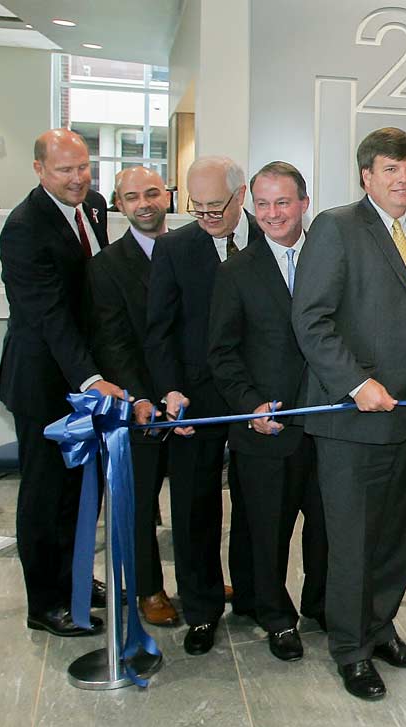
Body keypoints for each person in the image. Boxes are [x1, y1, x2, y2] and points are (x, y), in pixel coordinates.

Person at [292, 127, 406, 701]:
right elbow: (311, 320)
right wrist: (356, 383)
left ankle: (381, 628)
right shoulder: (336, 228)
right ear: (366, 176)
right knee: (354, 541)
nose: (403, 180)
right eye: (390, 170)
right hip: (350, 422)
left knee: (392, 539)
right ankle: (350, 648)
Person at [0, 129, 131, 636]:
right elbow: (51, 316)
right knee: (46, 495)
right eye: (65, 170)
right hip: (44, 384)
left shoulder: (93, 206)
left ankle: (75, 574)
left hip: (86, 380)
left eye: (83, 167)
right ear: (39, 170)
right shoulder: (24, 228)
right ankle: (46, 602)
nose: (78, 179)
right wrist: (93, 378)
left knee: (83, 490)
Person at [207, 161, 329, 662]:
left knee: (327, 529)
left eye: (283, 202)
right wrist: (248, 404)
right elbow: (222, 352)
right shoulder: (236, 271)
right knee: (267, 530)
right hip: (266, 427)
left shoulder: (330, 258)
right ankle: (276, 616)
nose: (273, 214)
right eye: (263, 204)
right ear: (252, 209)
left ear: (304, 203)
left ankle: (321, 607)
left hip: (326, 425)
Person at [145, 155, 260, 656]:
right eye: (199, 208)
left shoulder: (270, 234)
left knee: (258, 504)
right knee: (194, 506)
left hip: (256, 396)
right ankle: (201, 608)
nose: (209, 217)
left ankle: (256, 596)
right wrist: (170, 390)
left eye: (218, 207)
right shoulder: (174, 249)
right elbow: (159, 330)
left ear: (241, 197)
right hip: (194, 396)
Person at [85, 165, 178, 627]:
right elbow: (112, 342)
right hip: (138, 406)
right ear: (119, 206)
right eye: (132, 197)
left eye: (152, 193)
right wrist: (141, 397)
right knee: (140, 503)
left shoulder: (189, 251)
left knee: (195, 499)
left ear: (167, 197)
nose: (144, 203)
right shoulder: (106, 266)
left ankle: (200, 578)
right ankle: (149, 589)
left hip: (189, 405)